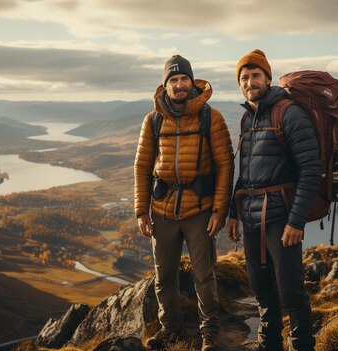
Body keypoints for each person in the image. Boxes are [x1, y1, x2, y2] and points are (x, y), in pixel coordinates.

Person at [134, 55, 234, 351]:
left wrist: (219, 209)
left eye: (183, 79)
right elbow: (141, 166)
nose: (179, 85)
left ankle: (210, 332)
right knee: (164, 276)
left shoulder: (210, 117)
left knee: (204, 274)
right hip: (162, 209)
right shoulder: (152, 120)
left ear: (192, 82)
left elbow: (225, 165)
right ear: (165, 85)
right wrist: (141, 211)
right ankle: (171, 330)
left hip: (199, 210)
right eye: (173, 80)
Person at [226, 49, 320, 351]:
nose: (250, 81)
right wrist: (233, 213)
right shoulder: (246, 118)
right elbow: (246, 173)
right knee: (263, 292)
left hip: (281, 217)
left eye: (255, 75)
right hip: (251, 217)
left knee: (291, 292)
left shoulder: (288, 112)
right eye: (244, 77)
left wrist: (296, 220)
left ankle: (302, 346)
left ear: (267, 77)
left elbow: (310, 170)